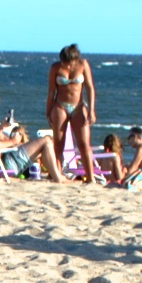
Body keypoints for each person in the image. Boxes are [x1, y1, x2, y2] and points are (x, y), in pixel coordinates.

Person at [47, 43, 96, 183]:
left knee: (84, 144)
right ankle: (57, 175)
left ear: (75, 60)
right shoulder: (55, 68)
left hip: (78, 106)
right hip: (60, 106)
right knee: (58, 144)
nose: (67, 66)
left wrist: (91, 110)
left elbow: (90, 88)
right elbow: (51, 91)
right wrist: (48, 111)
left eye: (69, 63)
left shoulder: (83, 64)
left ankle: (90, 177)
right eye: (64, 63)